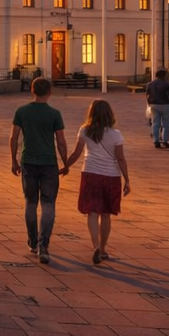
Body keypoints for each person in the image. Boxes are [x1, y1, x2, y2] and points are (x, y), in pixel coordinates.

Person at [9, 77, 69, 264]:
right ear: (49, 92)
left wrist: (14, 160)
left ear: (32, 90)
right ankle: (44, 245)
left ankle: (32, 240)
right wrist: (66, 163)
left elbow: (14, 137)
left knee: (30, 202)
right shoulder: (54, 114)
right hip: (49, 163)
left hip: (28, 161)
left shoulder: (22, 111)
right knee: (48, 203)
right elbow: (60, 141)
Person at [64, 99, 131, 266]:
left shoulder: (85, 130)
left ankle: (94, 245)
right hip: (111, 176)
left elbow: (76, 153)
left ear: (91, 113)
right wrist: (127, 180)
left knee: (92, 212)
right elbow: (120, 158)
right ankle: (102, 249)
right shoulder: (116, 134)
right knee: (106, 214)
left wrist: (65, 166)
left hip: (90, 173)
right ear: (110, 114)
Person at [144, 68, 169, 149]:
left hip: (154, 105)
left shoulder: (150, 84)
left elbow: (147, 95)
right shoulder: (166, 84)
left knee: (155, 123)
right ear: (164, 76)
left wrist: (149, 104)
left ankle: (156, 140)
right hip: (165, 104)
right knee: (166, 123)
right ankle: (164, 140)